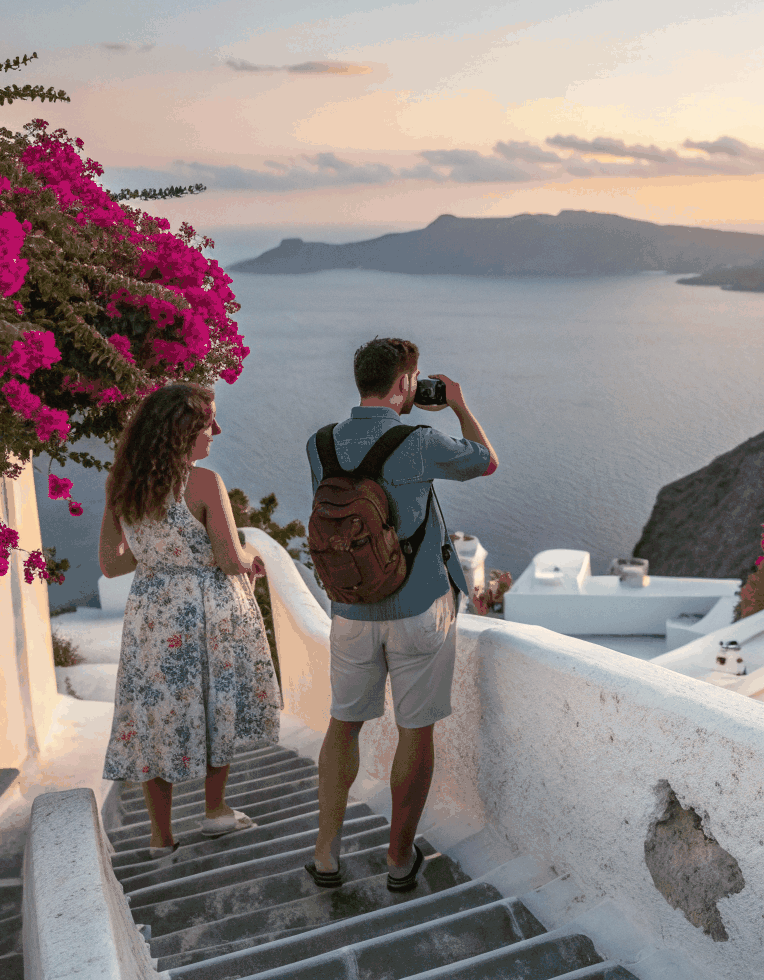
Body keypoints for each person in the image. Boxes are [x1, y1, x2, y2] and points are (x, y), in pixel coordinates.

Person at [305, 337, 496, 892]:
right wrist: (458, 404)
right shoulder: (418, 440)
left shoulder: (319, 444)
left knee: (344, 724)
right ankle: (397, 859)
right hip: (419, 609)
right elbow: (486, 461)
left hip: (351, 610)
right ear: (405, 384)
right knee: (415, 730)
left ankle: (325, 855)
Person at [99, 383, 283, 857]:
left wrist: (160, 554)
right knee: (214, 703)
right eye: (208, 422)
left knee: (158, 715)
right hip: (208, 611)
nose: (217, 430)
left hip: (152, 616)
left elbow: (113, 563)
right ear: (182, 431)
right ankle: (215, 812)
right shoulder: (203, 483)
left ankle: (161, 838)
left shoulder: (122, 483)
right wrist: (252, 555)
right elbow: (227, 559)